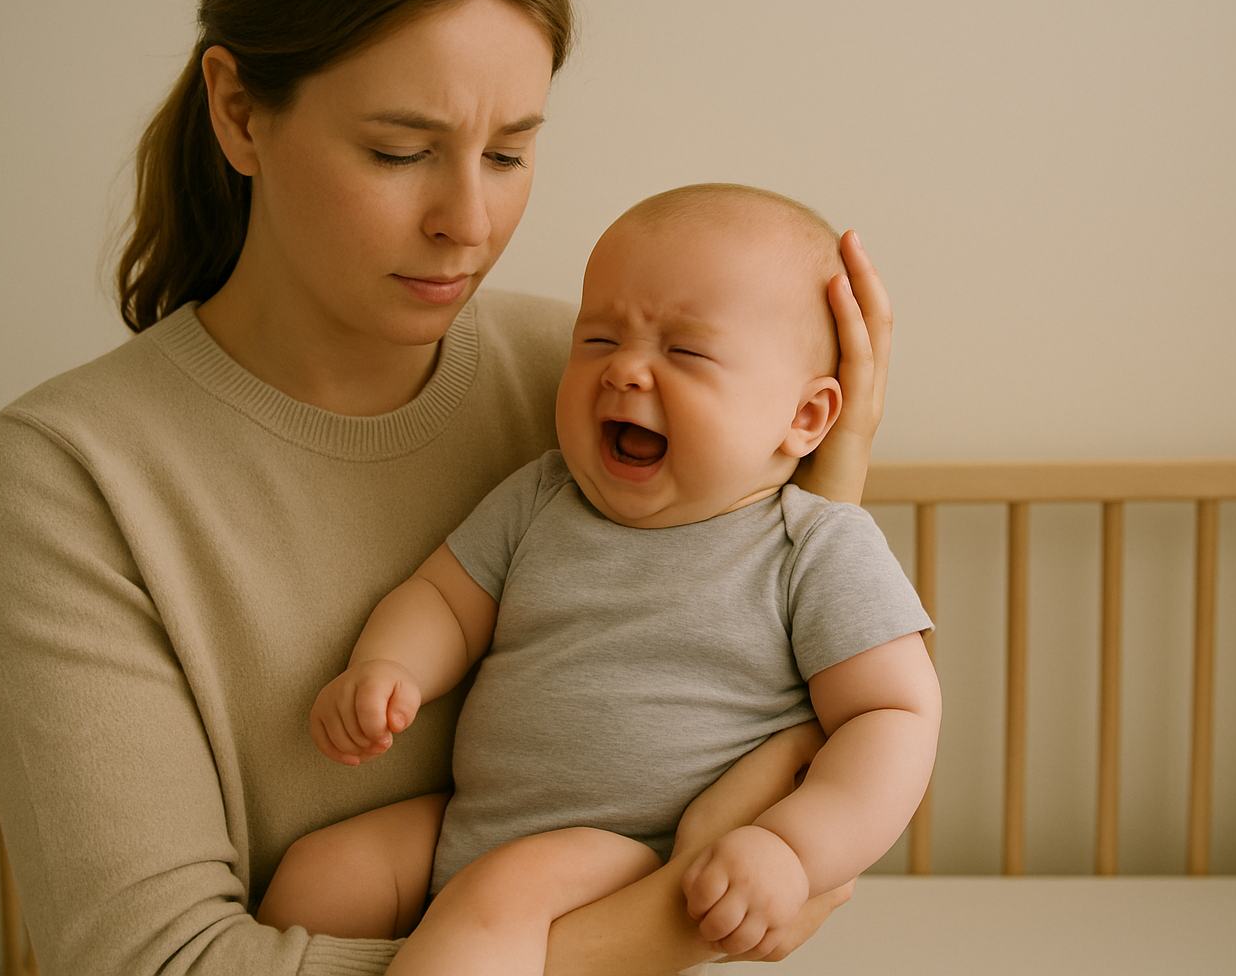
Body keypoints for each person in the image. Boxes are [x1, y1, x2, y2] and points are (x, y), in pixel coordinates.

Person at [0, 0, 894, 974]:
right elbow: (154, 962)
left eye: (508, 154)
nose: (471, 222)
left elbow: (786, 677)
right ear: (238, 111)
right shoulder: (71, 473)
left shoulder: (581, 381)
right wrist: (662, 921)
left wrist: (830, 470)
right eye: (401, 150)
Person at [256, 183, 941, 976]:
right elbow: (444, 598)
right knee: (319, 877)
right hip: (470, 821)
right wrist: (389, 668)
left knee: (497, 895)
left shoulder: (812, 547)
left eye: (683, 352)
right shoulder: (545, 495)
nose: (626, 373)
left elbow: (894, 715)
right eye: (598, 340)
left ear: (806, 419)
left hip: (633, 853)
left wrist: (792, 849)